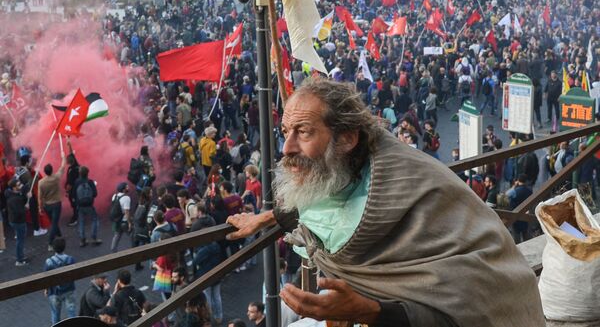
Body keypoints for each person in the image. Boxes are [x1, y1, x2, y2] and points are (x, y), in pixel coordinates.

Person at [226, 79, 544, 326]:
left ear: (348, 139)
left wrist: (370, 311)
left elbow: (466, 308)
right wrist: (267, 217)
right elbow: (318, 197)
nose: (286, 147)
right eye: (285, 131)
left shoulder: (409, 188)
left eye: (303, 132)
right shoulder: (337, 168)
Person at [43, 237, 76, 325]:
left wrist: (46, 289)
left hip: (54, 292)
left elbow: (46, 278)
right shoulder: (70, 259)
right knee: (71, 312)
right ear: (64, 247)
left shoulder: (49, 262)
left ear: (54, 248)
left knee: (55, 314)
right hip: (69, 289)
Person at [38, 156, 67, 250]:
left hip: (47, 206)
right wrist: (63, 157)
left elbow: (40, 197)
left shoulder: (41, 182)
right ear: (51, 170)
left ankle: (60, 236)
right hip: (56, 204)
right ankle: (50, 243)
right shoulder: (56, 177)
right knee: (54, 223)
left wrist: (40, 207)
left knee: (54, 222)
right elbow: (63, 166)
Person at [5, 177, 30, 265]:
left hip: (14, 220)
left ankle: (21, 256)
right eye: (19, 185)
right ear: (14, 188)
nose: (21, 185)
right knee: (20, 240)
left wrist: (26, 197)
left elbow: (21, 199)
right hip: (18, 222)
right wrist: (26, 207)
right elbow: (19, 211)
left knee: (20, 239)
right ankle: (20, 259)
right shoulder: (14, 199)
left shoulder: (12, 194)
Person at [75, 166, 102, 247]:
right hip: (89, 205)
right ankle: (94, 238)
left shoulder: (77, 182)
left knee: (81, 222)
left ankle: (82, 240)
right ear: (87, 173)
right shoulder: (90, 182)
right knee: (94, 220)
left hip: (80, 206)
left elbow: (73, 194)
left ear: (79, 174)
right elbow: (95, 194)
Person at [110, 182, 132, 252]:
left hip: (117, 220)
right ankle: (136, 249)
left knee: (117, 235)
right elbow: (127, 212)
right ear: (123, 189)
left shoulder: (114, 196)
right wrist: (129, 223)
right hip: (124, 221)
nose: (128, 188)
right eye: (127, 187)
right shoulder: (126, 198)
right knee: (133, 235)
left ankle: (113, 250)